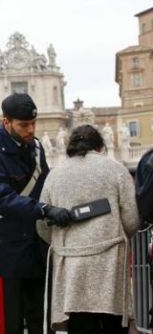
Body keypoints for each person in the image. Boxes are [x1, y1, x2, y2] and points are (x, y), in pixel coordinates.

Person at [0, 92, 71, 334]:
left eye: (33, 123)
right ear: (6, 122)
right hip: (4, 246)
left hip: (35, 246)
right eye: (24, 125)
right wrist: (44, 209)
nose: (30, 129)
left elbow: (46, 185)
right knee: (10, 321)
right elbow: (1, 199)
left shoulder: (36, 148)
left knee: (40, 317)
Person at [37, 124, 140, 333]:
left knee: (79, 323)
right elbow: (131, 220)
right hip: (109, 260)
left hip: (70, 263)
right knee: (113, 323)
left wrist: (62, 242)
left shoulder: (54, 176)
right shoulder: (116, 170)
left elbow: (42, 225)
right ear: (100, 147)